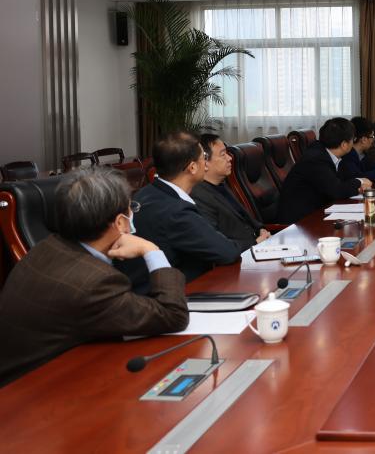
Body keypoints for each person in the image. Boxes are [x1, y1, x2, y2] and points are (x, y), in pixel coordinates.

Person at [0, 168, 188, 387]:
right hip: (34, 391)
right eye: (132, 207)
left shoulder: (47, 247)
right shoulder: (95, 283)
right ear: (120, 222)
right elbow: (173, 315)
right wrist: (152, 250)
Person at [119, 131, 243, 290]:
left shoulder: (146, 193)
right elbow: (227, 252)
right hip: (174, 295)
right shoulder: (176, 211)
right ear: (192, 167)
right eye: (204, 158)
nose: (206, 164)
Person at [277, 118, 370, 224]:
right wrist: (360, 182)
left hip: (315, 214)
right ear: (344, 144)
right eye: (353, 139)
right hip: (298, 223)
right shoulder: (316, 159)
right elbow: (337, 190)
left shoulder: (329, 154)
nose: (353, 143)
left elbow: (346, 178)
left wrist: (358, 183)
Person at [192, 134, 270, 249]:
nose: (230, 158)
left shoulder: (221, 185)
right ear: (205, 163)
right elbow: (216, 244)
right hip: (241, 255)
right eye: (223, 154)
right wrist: (255, 243)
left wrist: (260, 230)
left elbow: (246, 220)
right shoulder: (199, 196)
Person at [341, 116, 375, 182]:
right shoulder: (348, 156)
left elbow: (371, 168)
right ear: (364, 140)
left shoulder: (364, 154)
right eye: (372, 136)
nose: (373, 139)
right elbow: (356, 177)